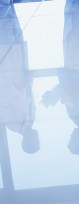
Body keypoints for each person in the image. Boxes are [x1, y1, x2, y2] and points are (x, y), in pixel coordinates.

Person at [41, 0, 79, 154]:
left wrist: (54, 95)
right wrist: (65, 96)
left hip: (72, 65)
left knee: (70, 23)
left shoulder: (75, 119)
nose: (71, 135)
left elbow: (67, 91)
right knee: (78, 23)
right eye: (72, 140)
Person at [0, 2, 40, 154]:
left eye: (35, 141)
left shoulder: (12, 124)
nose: (38, 137)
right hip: (19, 59)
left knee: (3, 18)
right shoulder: (31, 119)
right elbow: (28, 94)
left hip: (7, 61)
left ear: (27, 142)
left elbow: (1, 101)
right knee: (12, 14)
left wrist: (19, 87)